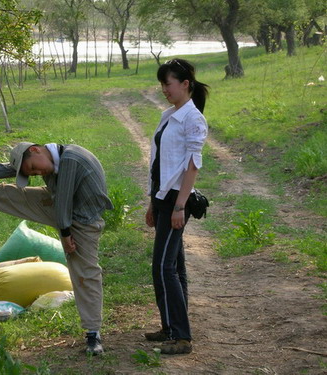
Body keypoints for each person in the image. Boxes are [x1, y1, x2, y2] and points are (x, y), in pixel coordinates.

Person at [0, 142, 113, 356]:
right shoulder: (46, 156)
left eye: (34, 168)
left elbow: (63, 202)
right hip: (59, 205)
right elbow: (7, 169)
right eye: (32, 172)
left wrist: (65, 235)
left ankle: (93, 333)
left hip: (83, 221)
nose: (37, 172)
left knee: (85, 273)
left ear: (35, 149)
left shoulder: (71, 159)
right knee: (11, 194)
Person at [144, 59, 209, 354]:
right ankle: (171, 328)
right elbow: (158, 162)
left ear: (185, 84)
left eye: (168, 84)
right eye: (162, 85)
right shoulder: (169, 115)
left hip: (175, 199)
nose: (164, 90)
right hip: (162, 197)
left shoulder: (193, 118)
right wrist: (151, 201)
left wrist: (179, 206)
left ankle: (181, 337)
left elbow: (192, 166)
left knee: (162, 267)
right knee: (174, 266)